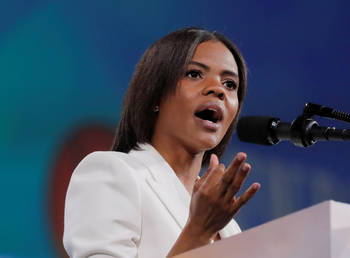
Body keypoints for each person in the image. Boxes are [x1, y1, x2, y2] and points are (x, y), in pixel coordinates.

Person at [63, 27, 260, 258]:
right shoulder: (113, 173)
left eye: (230, 84)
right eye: (195, 74)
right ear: (156, 93)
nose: (218, 90)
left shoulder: (231, 229)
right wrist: (198, 232)